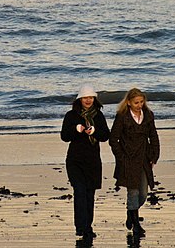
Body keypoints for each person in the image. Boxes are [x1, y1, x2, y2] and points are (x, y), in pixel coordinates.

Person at [60, 84, 110, 239]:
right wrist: (76, 129)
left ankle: (87, 226)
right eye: (85, 98)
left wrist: (94, 131)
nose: (88, 100)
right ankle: (81, 227)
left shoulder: (99, 116)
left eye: (90, 98)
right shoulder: (71, 115)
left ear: (94, 99)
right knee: (80, 191)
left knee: (89, 194)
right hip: (75, 160)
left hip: (93, 161)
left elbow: (105, 135)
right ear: (80, 99)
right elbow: (64, 136)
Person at [109, 88, 160, 237]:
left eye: (141, 102)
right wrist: (120, 156)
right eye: (136, 102)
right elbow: (113, 139)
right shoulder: (122, 116)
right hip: (128, 159)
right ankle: (136, 223)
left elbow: (154, 136)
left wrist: (155, 156)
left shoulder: (148, 115)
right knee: (133, 191)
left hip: (144, 157)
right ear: (129, 103)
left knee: (143, 193)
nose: (139, 105)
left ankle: (130, 213)